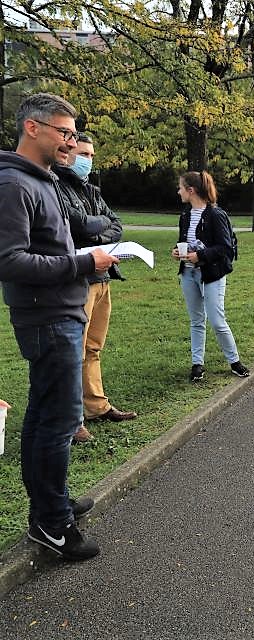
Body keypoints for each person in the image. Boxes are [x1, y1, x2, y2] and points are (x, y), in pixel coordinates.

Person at [0, 92, 119, 560]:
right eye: (65, 133)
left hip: (62, 311)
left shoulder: (44, 179)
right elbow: (9, 261)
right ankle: (52, 526)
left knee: (47, 417)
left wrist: (83, 257)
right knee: (58, 422)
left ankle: (51, 505)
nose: (71, 143)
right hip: (47, 318)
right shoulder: (14, 185)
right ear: (34, 128)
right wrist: (82, 261)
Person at [55, 133, 137, 444]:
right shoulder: (56, 184)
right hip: (78, 278)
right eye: (83, 153)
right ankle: (72, 420)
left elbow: (116, 224)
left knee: (92, 348)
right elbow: (75, 225)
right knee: (72, 350)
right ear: (68, 152)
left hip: (102, 277)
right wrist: (99, 228)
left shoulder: (92, 189)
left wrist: (97, 230)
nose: (88, 160)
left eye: (91, 155)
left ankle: (96, 405)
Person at [173, 171, 249, 382]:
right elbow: (183, 240)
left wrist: (200, 256)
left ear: (191, 190)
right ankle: (197, 364)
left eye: (180, 187)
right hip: (188, 273)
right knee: (196, 320)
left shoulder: (216, 215)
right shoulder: (185, 214)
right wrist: (177, 251)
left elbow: (226, 248)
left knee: (217, 320)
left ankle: (234, 361)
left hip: (212, 275)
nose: (178, 191)